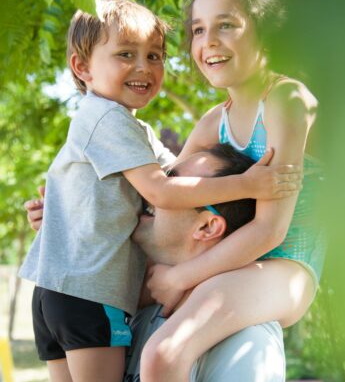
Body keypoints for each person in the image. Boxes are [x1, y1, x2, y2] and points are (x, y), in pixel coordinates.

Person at [18, 0, 300, 382]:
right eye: (126, 54)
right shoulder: (106, 119)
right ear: (82, 67)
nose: (143, 67)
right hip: (89, 294)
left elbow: (172, 173)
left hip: (57, 290)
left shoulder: (133, 131)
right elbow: (163, 192)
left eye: (155, 56)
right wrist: (247, 184)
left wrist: (63, 215)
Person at [140, 0, 325, 382]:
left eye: (227, 25)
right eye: (199, 30)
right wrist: (64, 209)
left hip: (284, 267)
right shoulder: (212, 124)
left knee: (164, 355)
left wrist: (179, 278)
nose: (209, 42)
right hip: (227, 263)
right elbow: (166, 195)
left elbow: (269, 231)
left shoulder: (286, 100)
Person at [26, 144, 286, 382]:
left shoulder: (246, 344)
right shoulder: (138, 311)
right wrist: (72, 230)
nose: (149, 189)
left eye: (171, 182)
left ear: (207, 226)